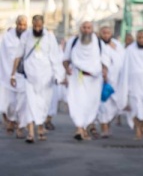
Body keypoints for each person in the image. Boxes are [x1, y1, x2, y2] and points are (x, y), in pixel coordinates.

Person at [10, 15, 63, 143]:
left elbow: (55, 58)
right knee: (30, 104)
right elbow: (18, 55)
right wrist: (12, 74)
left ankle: (40, 129)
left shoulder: (50, 37)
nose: (37, 28)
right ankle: (31, 133)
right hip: (30, 77)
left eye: (39, 26)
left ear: (43, 24)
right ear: (32, 25)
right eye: (35, 26)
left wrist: (58, 75)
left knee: (43, 105)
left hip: (46, 78)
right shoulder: (26, 36)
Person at [63, 21, 109, 141]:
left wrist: (105, 72)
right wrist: (66, 70)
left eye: (89, 28)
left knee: (91, 105)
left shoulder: (98, 42)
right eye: (84, 27)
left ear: (92, 29)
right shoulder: (73, 41)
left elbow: (105, 60)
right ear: (80, 28)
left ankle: (84, 128)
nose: (86, 30)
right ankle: (79, 128)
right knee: (77, 103)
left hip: (94, 80)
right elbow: (66, 58)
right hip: (77, 77)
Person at [0, 15, 28, 139]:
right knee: (10, 103)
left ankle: (21, 126)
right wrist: (9, 73)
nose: (22, 27)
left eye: (24, 25)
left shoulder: (30, 37)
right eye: (20, 24)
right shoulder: (7, 37)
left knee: (22, 103)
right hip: (8, 75)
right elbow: (4, 56)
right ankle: (11, 119)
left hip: (24, 75)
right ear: (16, 24)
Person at [97, 25, 126, 138]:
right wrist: (104, 73)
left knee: (115, 106)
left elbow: (123, 59)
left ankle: (107, 125)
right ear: (100, 34)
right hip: (104, 80)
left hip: (118, 80)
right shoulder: (98, 45)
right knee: (104, 105)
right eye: (103, 33)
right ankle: (104, 128)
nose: (106, 35)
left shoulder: (117, 45)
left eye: (108, 33)